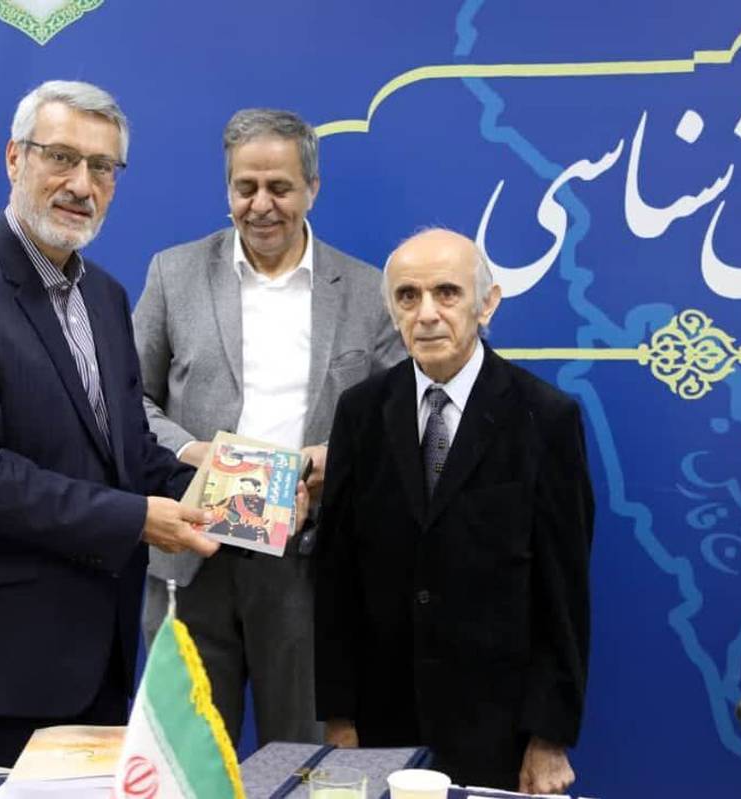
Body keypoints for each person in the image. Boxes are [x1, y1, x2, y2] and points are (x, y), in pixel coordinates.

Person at [0, 80, 218, 771]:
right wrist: (135, 518)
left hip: (96, 661)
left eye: (102, 166)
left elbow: (128, 450)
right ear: (15, 158)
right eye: (61, 157)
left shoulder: (105, 297)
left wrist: (242, 493)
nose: (81, 184)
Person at [132, 108, 404, 745]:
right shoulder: (173, 274)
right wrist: (194, 451)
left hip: (305, 564)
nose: (260, 205)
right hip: (190, 553)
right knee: (189, 758)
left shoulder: (367, 291)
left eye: (279, 188)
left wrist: (328, 460)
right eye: (244, 187)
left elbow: (398, 418)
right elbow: (127, 402)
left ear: (312, 188)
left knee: (302, 758)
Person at [314, 228, 594, 792]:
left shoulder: (545, 417)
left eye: (447, 293)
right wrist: (339, 718)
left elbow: (563, 595)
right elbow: (336, 576)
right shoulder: (361, 413)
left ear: (486, 304)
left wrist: (548, 736)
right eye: (408, 296)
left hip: (497, 728)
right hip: (382, 722)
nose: (426, 314)